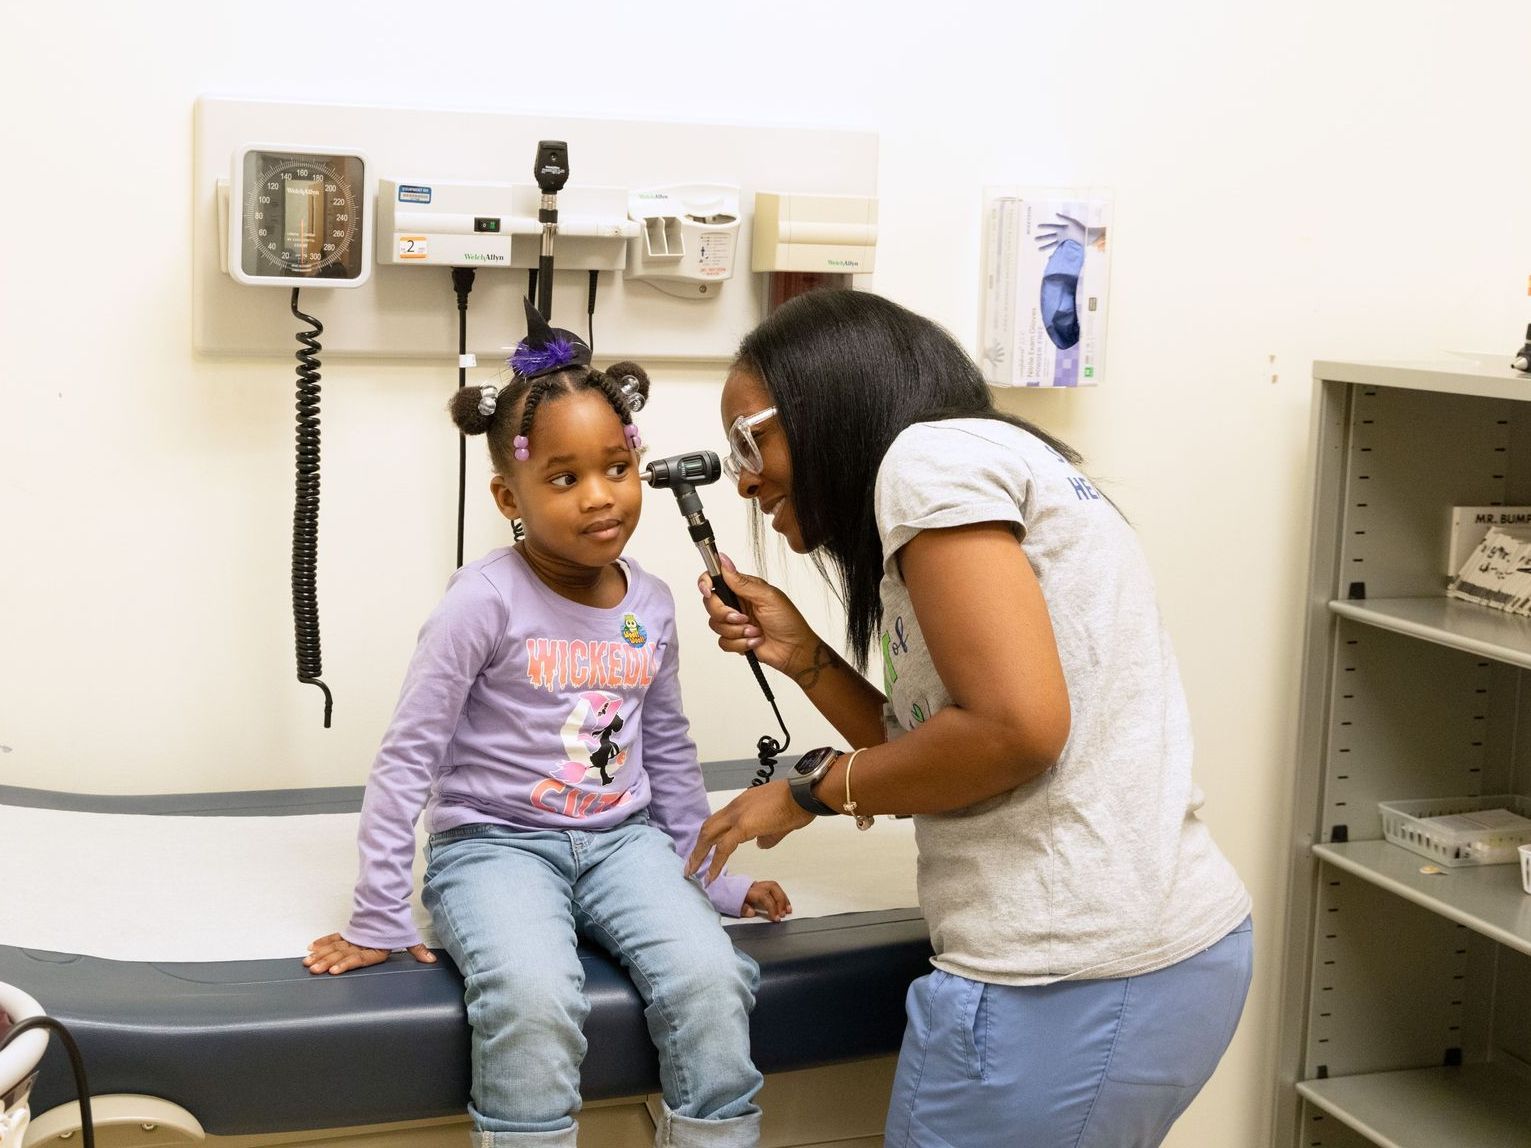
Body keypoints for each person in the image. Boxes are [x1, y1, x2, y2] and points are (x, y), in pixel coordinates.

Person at [688, 290, 1252, 1148]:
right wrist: (804, 656)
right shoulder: (986, 457)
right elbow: (943, 754)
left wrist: (808, 794)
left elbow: (1013, 734)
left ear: (825, 403)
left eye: (750, 438)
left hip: (1067, 976)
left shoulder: (927, 462)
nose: (743, 476)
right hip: (1155, 954)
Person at [306, 300, 788, 1148]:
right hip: (491, 845)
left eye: (616, 468)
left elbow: (667, 752)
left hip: (623, 840)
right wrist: (378, 913)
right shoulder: (481, 602)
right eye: (564, 479)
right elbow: (408, 756)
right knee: (533, 994)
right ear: (509, 494)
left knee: (713, 976)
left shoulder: (653, 603)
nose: (600, 499)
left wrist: (707, 877)